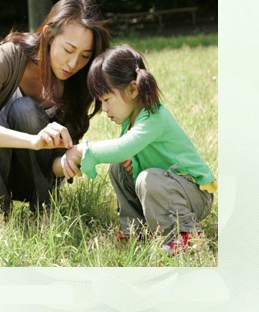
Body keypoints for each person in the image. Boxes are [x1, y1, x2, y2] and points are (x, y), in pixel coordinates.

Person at [0, 0, 111, 236]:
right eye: (68, 49)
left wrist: (71, 160)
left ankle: (43, 209)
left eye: (84, 56)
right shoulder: (11, 56)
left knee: (25, 111)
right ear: (49, 34)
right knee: (0, 118)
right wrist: (33, 141)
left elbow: (58, 164)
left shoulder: (80, 83)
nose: (73, 64)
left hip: (39, 177)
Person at [66, 44, 217, 253]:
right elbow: (125, 154)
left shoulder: (153, 116)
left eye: (107, 99)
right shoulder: (130, 120)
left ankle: (186, 235)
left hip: (193, 193)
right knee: (118, 169)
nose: (105, 109)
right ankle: (135, 230)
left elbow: (123, 147)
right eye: (101, 102)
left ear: (133, 89)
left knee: (149, 179)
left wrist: (85, 151)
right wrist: (131, 162)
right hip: (167, 185)